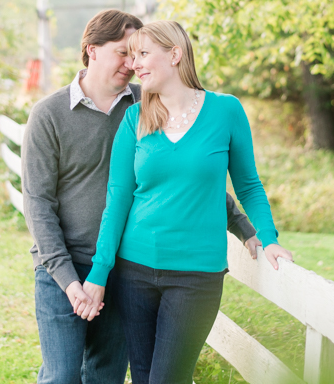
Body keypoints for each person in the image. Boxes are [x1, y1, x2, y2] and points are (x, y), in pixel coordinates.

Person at [21, 10, 262, 384]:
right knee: (62, 375)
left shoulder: (148, 101)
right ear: (92, 51)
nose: (133, 64)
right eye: (123, 53)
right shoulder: (49, 115)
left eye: (138, 54)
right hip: (63, 268)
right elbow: (37, 205)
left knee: (106, 375)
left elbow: (191, 175)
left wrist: (245, 227)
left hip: (119, 266)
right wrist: (70, 281)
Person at [77, 20, 294, 384]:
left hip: (197, 275)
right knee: (145, 376)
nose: (135, 64)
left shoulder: (226, 111)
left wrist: (268, 237)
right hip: (134, 271)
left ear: (175, 54)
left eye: (143, 54)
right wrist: (99, 273)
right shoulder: (135, 119)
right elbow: (117, 201)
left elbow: (248, 185)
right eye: (132, 56)